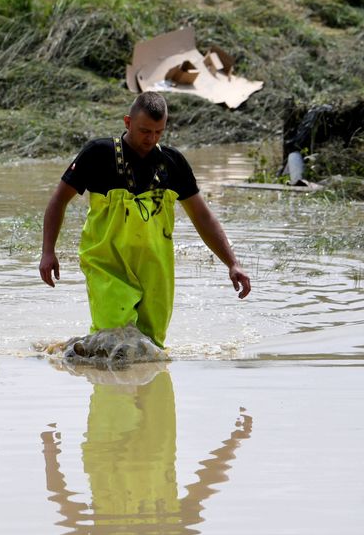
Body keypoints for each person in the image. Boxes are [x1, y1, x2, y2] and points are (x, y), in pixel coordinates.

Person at [38, 91, 251, 347]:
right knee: (113, 343)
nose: (151, 138)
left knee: (151, 350)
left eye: (158, 132)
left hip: (156, 270)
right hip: (107, 265)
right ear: (127, 122)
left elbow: (202, 216)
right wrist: (48, 252)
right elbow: (58, 200)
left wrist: (232, 263)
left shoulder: (174, 163)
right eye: (144, 131)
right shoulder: (97, 154)